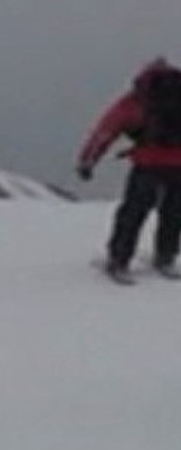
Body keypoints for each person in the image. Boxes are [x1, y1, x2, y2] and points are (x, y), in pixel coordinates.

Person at [77, 57, 181, 283]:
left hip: (147, 164)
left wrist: (88, 161)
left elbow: (107, 130)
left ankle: (119, 259)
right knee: (173, 213)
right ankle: (166, 257)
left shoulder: (137, 100)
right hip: (178, 165)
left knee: (133, 213)